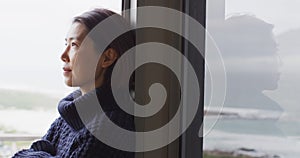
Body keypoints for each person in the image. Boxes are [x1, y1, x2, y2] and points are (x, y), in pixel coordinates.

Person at [13, 8, 136, 157]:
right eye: (66, 44)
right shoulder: (73, 112)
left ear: (107, 58)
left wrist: (41, 153)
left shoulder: (110, 126)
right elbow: (36, 149)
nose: (63, 56)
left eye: (74, 45)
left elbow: (36, 150)